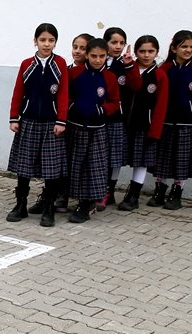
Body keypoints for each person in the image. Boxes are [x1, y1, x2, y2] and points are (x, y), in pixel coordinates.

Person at [6, 23, 70, 227]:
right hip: (28, 122)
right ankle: (20, 205)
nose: (46, 44)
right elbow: (18, 91)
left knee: (51, 169)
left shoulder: (60, 64)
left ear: (55, 42)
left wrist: (61, 120)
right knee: (23, 167)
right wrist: (14, 117)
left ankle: (48, 208)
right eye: (42, 40)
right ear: (35, 41)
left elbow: (63, 94)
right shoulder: (27, 64)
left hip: (52, 124)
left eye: (51, 40)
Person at [149, 30, 192, 210]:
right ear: (174, 48)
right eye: (184, 46)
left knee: (181, 159)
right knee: (163, 158)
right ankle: (160, 190)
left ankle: (177, 193)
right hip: (165, 122)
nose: (188, 50)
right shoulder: (164, 69)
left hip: (186, 123)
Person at [66, 38, 121, 223]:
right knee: (76, 165)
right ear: (87, 55)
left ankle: (87, 204)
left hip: (97, 129)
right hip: (75, 127)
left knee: (92, 167)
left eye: (102, 56)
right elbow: (66, 96)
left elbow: (115, 102)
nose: (98, 60)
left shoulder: (110, 77)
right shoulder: (75, 73)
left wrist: (102, 110)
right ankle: (71, 198)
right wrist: (73, 107)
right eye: (94, 56)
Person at [118, 35, 168, 210]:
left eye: (151, 51)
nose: (146, 55)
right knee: (117, 158)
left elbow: (161, 106)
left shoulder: (159, 75)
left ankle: (133, 195)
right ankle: (107, 192)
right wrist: (129, 66)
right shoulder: (128, 69)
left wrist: (154, 131)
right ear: (136, 52)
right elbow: (134, 85)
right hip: (124, 124)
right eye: (142, 51)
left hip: (144, 127)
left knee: (141, 161)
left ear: (157, 52)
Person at [99, 27, 142, 210]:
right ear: (105, 43)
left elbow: (136, 85)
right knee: (98, 155)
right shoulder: (97, 61)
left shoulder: (125, 64)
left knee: (113, 157)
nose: (118, 46)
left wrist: (130, 65)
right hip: (97, 116)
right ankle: (96, 190)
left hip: (117, 117)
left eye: (121, 43)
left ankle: (108, 192)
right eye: (113, 42)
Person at [52, 33, 95, 213]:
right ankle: (60, 195)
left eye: (82, 48)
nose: (77, 51)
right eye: (75, 47)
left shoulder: (92, 73)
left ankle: (86, 200)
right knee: (64, 161)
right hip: (65, 122)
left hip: (84, 125)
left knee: (82, 163)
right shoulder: (65, 69)